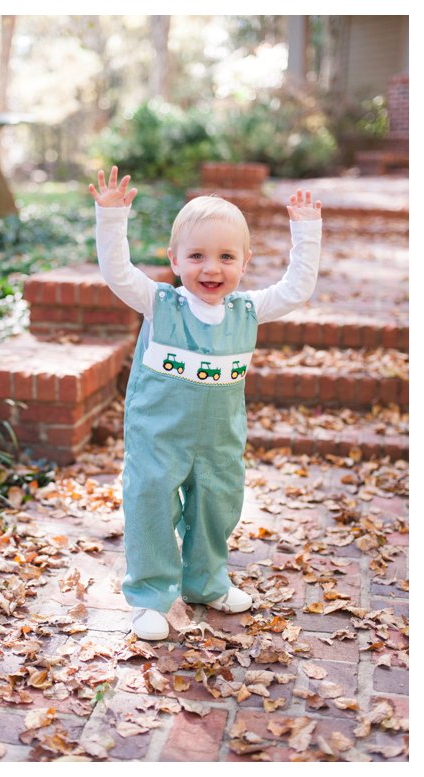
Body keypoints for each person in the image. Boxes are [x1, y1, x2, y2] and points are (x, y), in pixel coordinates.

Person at [88, 166, 322, 641]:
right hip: (159, 435)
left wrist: (306, 230)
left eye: (225, 257)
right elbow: (117, 272)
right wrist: (111, 219)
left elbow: (297, 288)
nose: (211, 269)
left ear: (244, 261)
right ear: (174, 260)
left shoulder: (249, 311)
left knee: (217, 508)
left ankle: (206, 582)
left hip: (219, 440)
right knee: (151, 506)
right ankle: (151, 595)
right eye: (196, 256)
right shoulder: (159, 304)